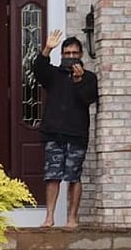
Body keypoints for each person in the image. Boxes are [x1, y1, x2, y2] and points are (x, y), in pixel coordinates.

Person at [33, 29, 99, 229]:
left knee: (73, 177)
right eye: (67, 54)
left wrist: (78, 82)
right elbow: (37, 71)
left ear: (80, 55)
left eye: (74, 54)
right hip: (54, 133)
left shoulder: (89, 77)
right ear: (62, 55)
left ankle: (72, 218)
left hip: (77, 135)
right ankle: (49, 217)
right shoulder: (54, 74)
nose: (71, 57)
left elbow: (88, 99)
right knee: (52, 177)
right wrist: (47, 49)